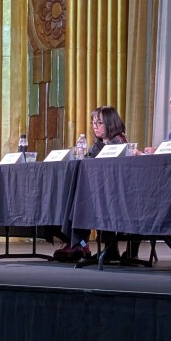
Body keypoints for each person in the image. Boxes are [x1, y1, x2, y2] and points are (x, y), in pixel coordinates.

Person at [54, 106, 128, 262]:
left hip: (115, 195)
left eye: (99, 123)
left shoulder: (119, 141)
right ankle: (81, 243)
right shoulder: (98, 144)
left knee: (82, 203)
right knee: (70, 199)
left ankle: (85, 244)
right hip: (97, 192)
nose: (95, 126)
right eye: (93, 123)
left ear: (110, 123)